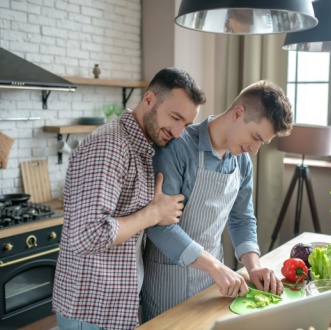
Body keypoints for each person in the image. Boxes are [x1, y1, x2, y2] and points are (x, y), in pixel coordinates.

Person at [52, 67, 206, 330]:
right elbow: (89, 234)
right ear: (149, 100)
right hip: (91, 312)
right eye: (174, 117)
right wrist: (154, 214)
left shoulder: (143, 147)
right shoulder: (110, 146)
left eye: (187, 124)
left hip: (115, 307)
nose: (179, 132)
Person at [141, 80, 293, 322]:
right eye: (255, 137)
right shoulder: (178, 147)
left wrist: (253, 267)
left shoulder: (242, 161)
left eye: (261, 143)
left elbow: (242, 218)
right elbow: (159, 226)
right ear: (238, 113)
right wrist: (216, 267)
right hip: (168, 280)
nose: (254, 150)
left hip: (215, 280)